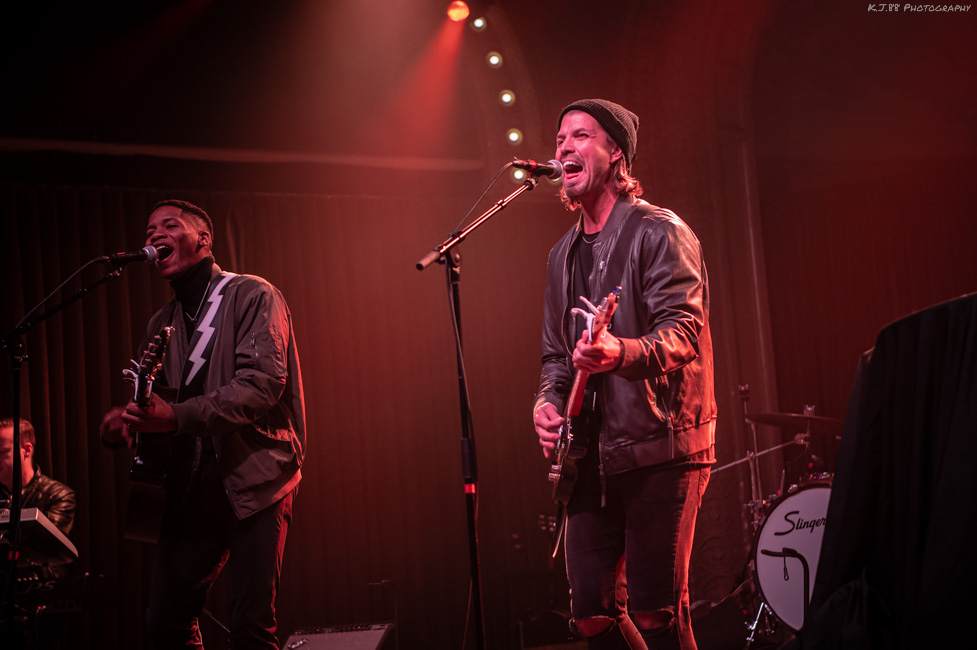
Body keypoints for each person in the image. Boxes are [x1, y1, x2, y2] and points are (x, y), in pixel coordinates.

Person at [533, 99, 717, 650]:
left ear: (615, 153)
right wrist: (546, 402)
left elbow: (684, 330)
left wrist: (621, 352)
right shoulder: (560, 256)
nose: (564, 146)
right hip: (589, 458)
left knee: (657, 614)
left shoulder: (658, 231)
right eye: (560, 138)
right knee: (590, 616)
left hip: (661, 446)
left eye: (580, 136)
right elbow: (553, 356)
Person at [99, 200, 305, 649]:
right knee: (164, 623)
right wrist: (132, 421)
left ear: (204, 239)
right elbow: (165, 408)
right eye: (149, 228)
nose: (154, 235)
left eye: (169, 226)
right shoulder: (161, 323)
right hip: (191, 485)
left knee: (251, 628)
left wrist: (174, 416)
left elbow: (261, 385)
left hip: (255, 477)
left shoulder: (252, 294)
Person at [0, 417, 77, 581]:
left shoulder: (58, 495)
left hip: (39, 586)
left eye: (2, 452)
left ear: (26, 450)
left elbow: (43, 547)